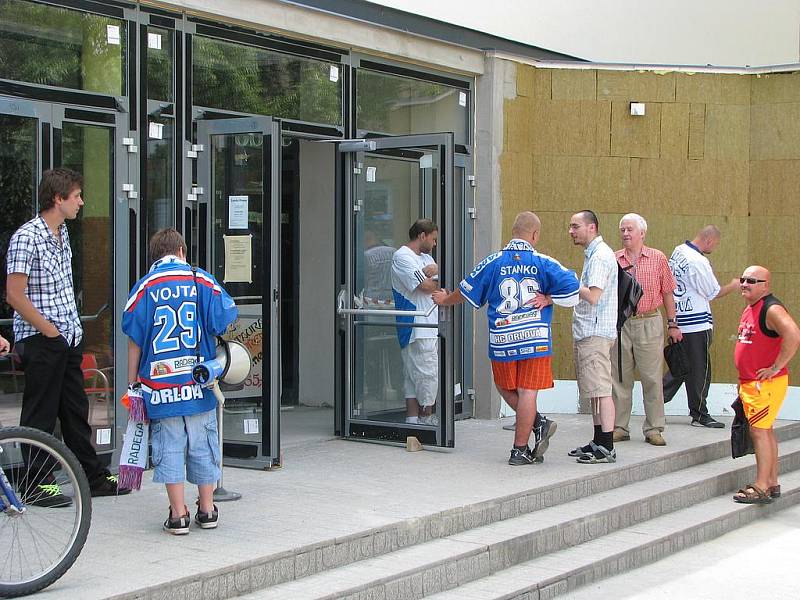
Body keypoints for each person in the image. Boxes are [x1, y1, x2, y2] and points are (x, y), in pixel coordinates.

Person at [6, 168, 130, 507]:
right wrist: (50, 331)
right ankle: (36, 483)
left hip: (67, 340)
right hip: (41, 339)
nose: (81, 202)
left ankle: (92, 476)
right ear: (58, 198)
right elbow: (14, 294)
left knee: (76, 410)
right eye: (76, 196)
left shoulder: (62, 235)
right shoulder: (27, 237)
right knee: (40, 414)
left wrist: (69, 335)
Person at [433, 212, 579, 465]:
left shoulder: (493, 261)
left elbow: (466, 290)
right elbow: (573, 287)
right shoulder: (543, 262)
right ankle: (520, 449)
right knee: (527, 391)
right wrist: (549, 298)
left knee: (504, 386)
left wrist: (445, 299)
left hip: (502, 338)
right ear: (535, 235)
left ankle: (538, 423)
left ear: (513, 232)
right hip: (534, 338)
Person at [123, 228, 238, 534]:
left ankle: (178, 515)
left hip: (160, 388)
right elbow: (225, 317)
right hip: (198, 383)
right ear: (182, 251)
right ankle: (207, 509)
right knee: (203, 445)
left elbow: (134, 339)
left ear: (155, 255)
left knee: (170, 447)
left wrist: (133, 382)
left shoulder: (144, 287)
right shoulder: (200, 279)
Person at [732, 266, 800, 504]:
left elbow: (793, 333)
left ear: (765, 285)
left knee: (759, 432)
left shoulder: (771, 308)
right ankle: (771, 481)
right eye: (743, 279)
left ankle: (761, 485)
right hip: (753, 384)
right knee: (765, 431)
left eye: (752, 280)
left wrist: (775, 366)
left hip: (764, 385)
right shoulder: (752, 307)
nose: (745, 283)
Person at [612, 213, 680, 446]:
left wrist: (673, 323)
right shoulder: (613, 259)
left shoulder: (658, 258)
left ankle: (654, 428)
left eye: (630, 229)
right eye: (622, 230)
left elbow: (668, 291)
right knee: (620, 376)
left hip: (649, 320)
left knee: (652, 377)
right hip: (621, 322)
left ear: (642, 233)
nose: (625, 234)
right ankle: (619, 426)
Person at [663, 226, 740, 428]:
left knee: (681, 367)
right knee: (700, 370)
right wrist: (733, 285)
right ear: (709, 241)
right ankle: (699, 413)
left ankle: (656, 400)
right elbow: (713, 292)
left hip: (679, 318)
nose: (714, 247)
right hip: (696, 323)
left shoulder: (678, 251)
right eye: (715, 244)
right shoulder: (698, 261)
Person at [568, 210, 619, 463]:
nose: (571, 231)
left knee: (601, 389)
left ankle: (606, 446)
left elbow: (593, 296)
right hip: (591, 331)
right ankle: (598, 440)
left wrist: (569, 281)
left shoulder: (599, 257)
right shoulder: (595, 254)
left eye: (575, 226)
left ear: (592, 227)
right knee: (595, 391)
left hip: (595, 332)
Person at [391, 219, 440, 426]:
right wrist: (432, 276)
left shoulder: (427, 258)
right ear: (422, 235)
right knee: (426, 372)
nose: (435, 244)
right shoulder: (402, 257)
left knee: (413, 375)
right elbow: (427, 286)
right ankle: (426, 417)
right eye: (433, 239)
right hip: (416, 325)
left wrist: (436, 270)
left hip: (428, 322)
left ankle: (412, 420)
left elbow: (439, 282)